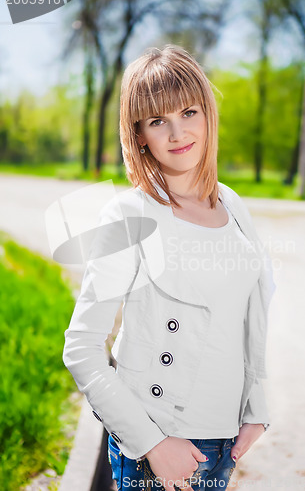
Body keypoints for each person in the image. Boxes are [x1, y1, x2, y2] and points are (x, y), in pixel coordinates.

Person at [63, 44, 276, 491]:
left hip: (223, 440)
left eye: (189, 112)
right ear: (139, 134)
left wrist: (256, 408)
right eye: (158, 121)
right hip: (158, 444)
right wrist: (153, 444)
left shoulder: (233, 204)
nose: (178, 132)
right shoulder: (128, 215)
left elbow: (248, 316)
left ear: (208, 114)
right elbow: (81, 347)